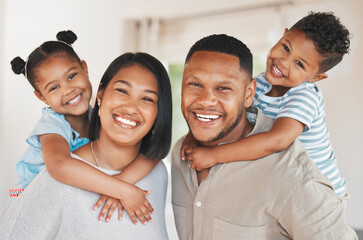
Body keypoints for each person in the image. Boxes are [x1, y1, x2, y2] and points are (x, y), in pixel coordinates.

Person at [171, 34, 357, 239]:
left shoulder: (293, 175)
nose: (206, 101)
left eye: (223, 88)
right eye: (195, 85)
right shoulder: (180, 153)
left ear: (249, 94)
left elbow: (278, 140)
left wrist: (214, 154)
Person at [0, 52, 172, 239]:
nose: (131, 108)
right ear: (101, 96)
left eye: (147, 98)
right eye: (122, 91)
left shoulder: (158, 172)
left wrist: (123, 181)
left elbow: (153, 155)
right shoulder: (52, 129)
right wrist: (124, 190)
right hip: (20, 192)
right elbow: (60, 165)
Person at [180, 12, 350, 197]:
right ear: (282, 35)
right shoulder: (259, 84)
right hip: (284, 185)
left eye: (299, 64)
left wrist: (214, 155)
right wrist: (195, 134)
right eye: (286, 47)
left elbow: (277, 140)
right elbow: (228, 114)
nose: (284, 62)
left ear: (316, 77)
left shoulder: (305, 97)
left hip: (320, 193)